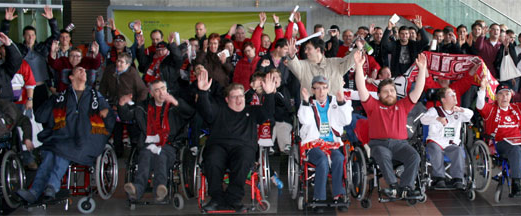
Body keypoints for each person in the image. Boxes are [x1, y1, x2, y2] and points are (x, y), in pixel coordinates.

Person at [17, 67, 114, 204]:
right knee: (51, 153)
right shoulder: (61, 97)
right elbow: (40, 117)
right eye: (79, 70)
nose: (84, 72)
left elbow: (109, 116)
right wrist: (51, 101)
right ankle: (35, 191)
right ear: (71, 77)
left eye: (85, 71)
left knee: (61, 150)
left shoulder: (95, 96)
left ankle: (51, 186)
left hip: (86, 140)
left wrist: (105, 114)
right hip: (63, 136)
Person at [195, 67, 276, 211]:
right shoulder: (219, 110)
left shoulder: (252, 111)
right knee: (212, 160)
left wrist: (269, 94)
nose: (239, 99)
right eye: (234, 97)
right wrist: (202, 93)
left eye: (241, 96)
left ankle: (233, 198)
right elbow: (206, 110)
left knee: (244, 158)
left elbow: (267, 113)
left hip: (243, 148)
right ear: (227, 99)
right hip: (218, 146)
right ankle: (217, 199)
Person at [355, 48, 428, 198]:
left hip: (400, 145)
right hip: (379, 145)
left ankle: (406, 187)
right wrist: (358, 66)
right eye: (385, 91)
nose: (389, 93)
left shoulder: (402, 105)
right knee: (382, 154)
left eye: (392, 91)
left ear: (396, 93)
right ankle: (394, 186)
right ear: (379, 94)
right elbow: (361, 87)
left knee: (415, 156)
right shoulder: (372, 105)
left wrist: (421, 69)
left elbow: (418, 91)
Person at [121, 80, 194, 202]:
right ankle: (137, 189)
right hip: (147, 145)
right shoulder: (142, 107)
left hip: (169, 145)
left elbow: (190, 113)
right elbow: (127, 116)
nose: (161, 92)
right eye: (157, 90)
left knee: (162, 155)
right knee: (145, 155)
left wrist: (176, 103)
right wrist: (122, 105)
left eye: (163, 88)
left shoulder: (173, 106)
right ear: (151, 93)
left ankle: (160, 188)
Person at [477, 77, 521, 196]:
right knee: (516, 150)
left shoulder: (516, 108)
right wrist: (482, 89)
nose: (504, 97)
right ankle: (516, 182)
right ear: (496, 96)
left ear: (511, 96)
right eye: (501, 94)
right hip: (500, 142)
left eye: (507, 94)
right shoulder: (491, 109)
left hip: (519, 140)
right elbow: (480, 106)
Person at [297, 76, 352, 213]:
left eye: (324, 88)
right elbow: (304, 120)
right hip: (313, 143)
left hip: (331, 143)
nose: (321, 92)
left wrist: (341, 103)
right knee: (322, 160)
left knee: (339, 158)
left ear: (328, 89)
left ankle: (338, 195)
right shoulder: (308, 103)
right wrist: (304, 102)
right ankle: (318, 198)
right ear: (312, 90)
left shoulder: (335, 101)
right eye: (318, 88)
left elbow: (346, 121)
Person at [0, 6, 58, 110]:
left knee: (43, 115)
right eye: (27, 35)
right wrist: (6, 22)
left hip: (41, 87)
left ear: (35, 36)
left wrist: (51, 20)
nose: (30, 37)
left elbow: (56, 36)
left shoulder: (42, 48)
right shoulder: (19, 50)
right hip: (25, 89)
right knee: (26, 117)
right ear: (23, 36)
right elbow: (4, 38)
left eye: (32, 35)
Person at [420, 87, 473, 189]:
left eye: (454, 94)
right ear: (443, 100)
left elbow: (470, 115)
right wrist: (437, 119)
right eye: (451, 95)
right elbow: (423, 120)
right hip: (436, 142)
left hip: (451, 143)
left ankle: (457, 178)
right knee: (435, 149)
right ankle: (439, 177)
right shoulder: (434, 110)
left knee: (458, 150)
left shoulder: (459, 112)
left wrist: (461, 109)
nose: (454, 96)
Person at [285, 37, 356, 95]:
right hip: (310, 108)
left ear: (318, 50)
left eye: (309, 49)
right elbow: (294, 64)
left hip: (334, 107)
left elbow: (351, 59)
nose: (305, 52)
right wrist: (291, 56)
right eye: (305, 49)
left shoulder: (335, 63)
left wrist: (358, 48)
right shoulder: (302, 65)